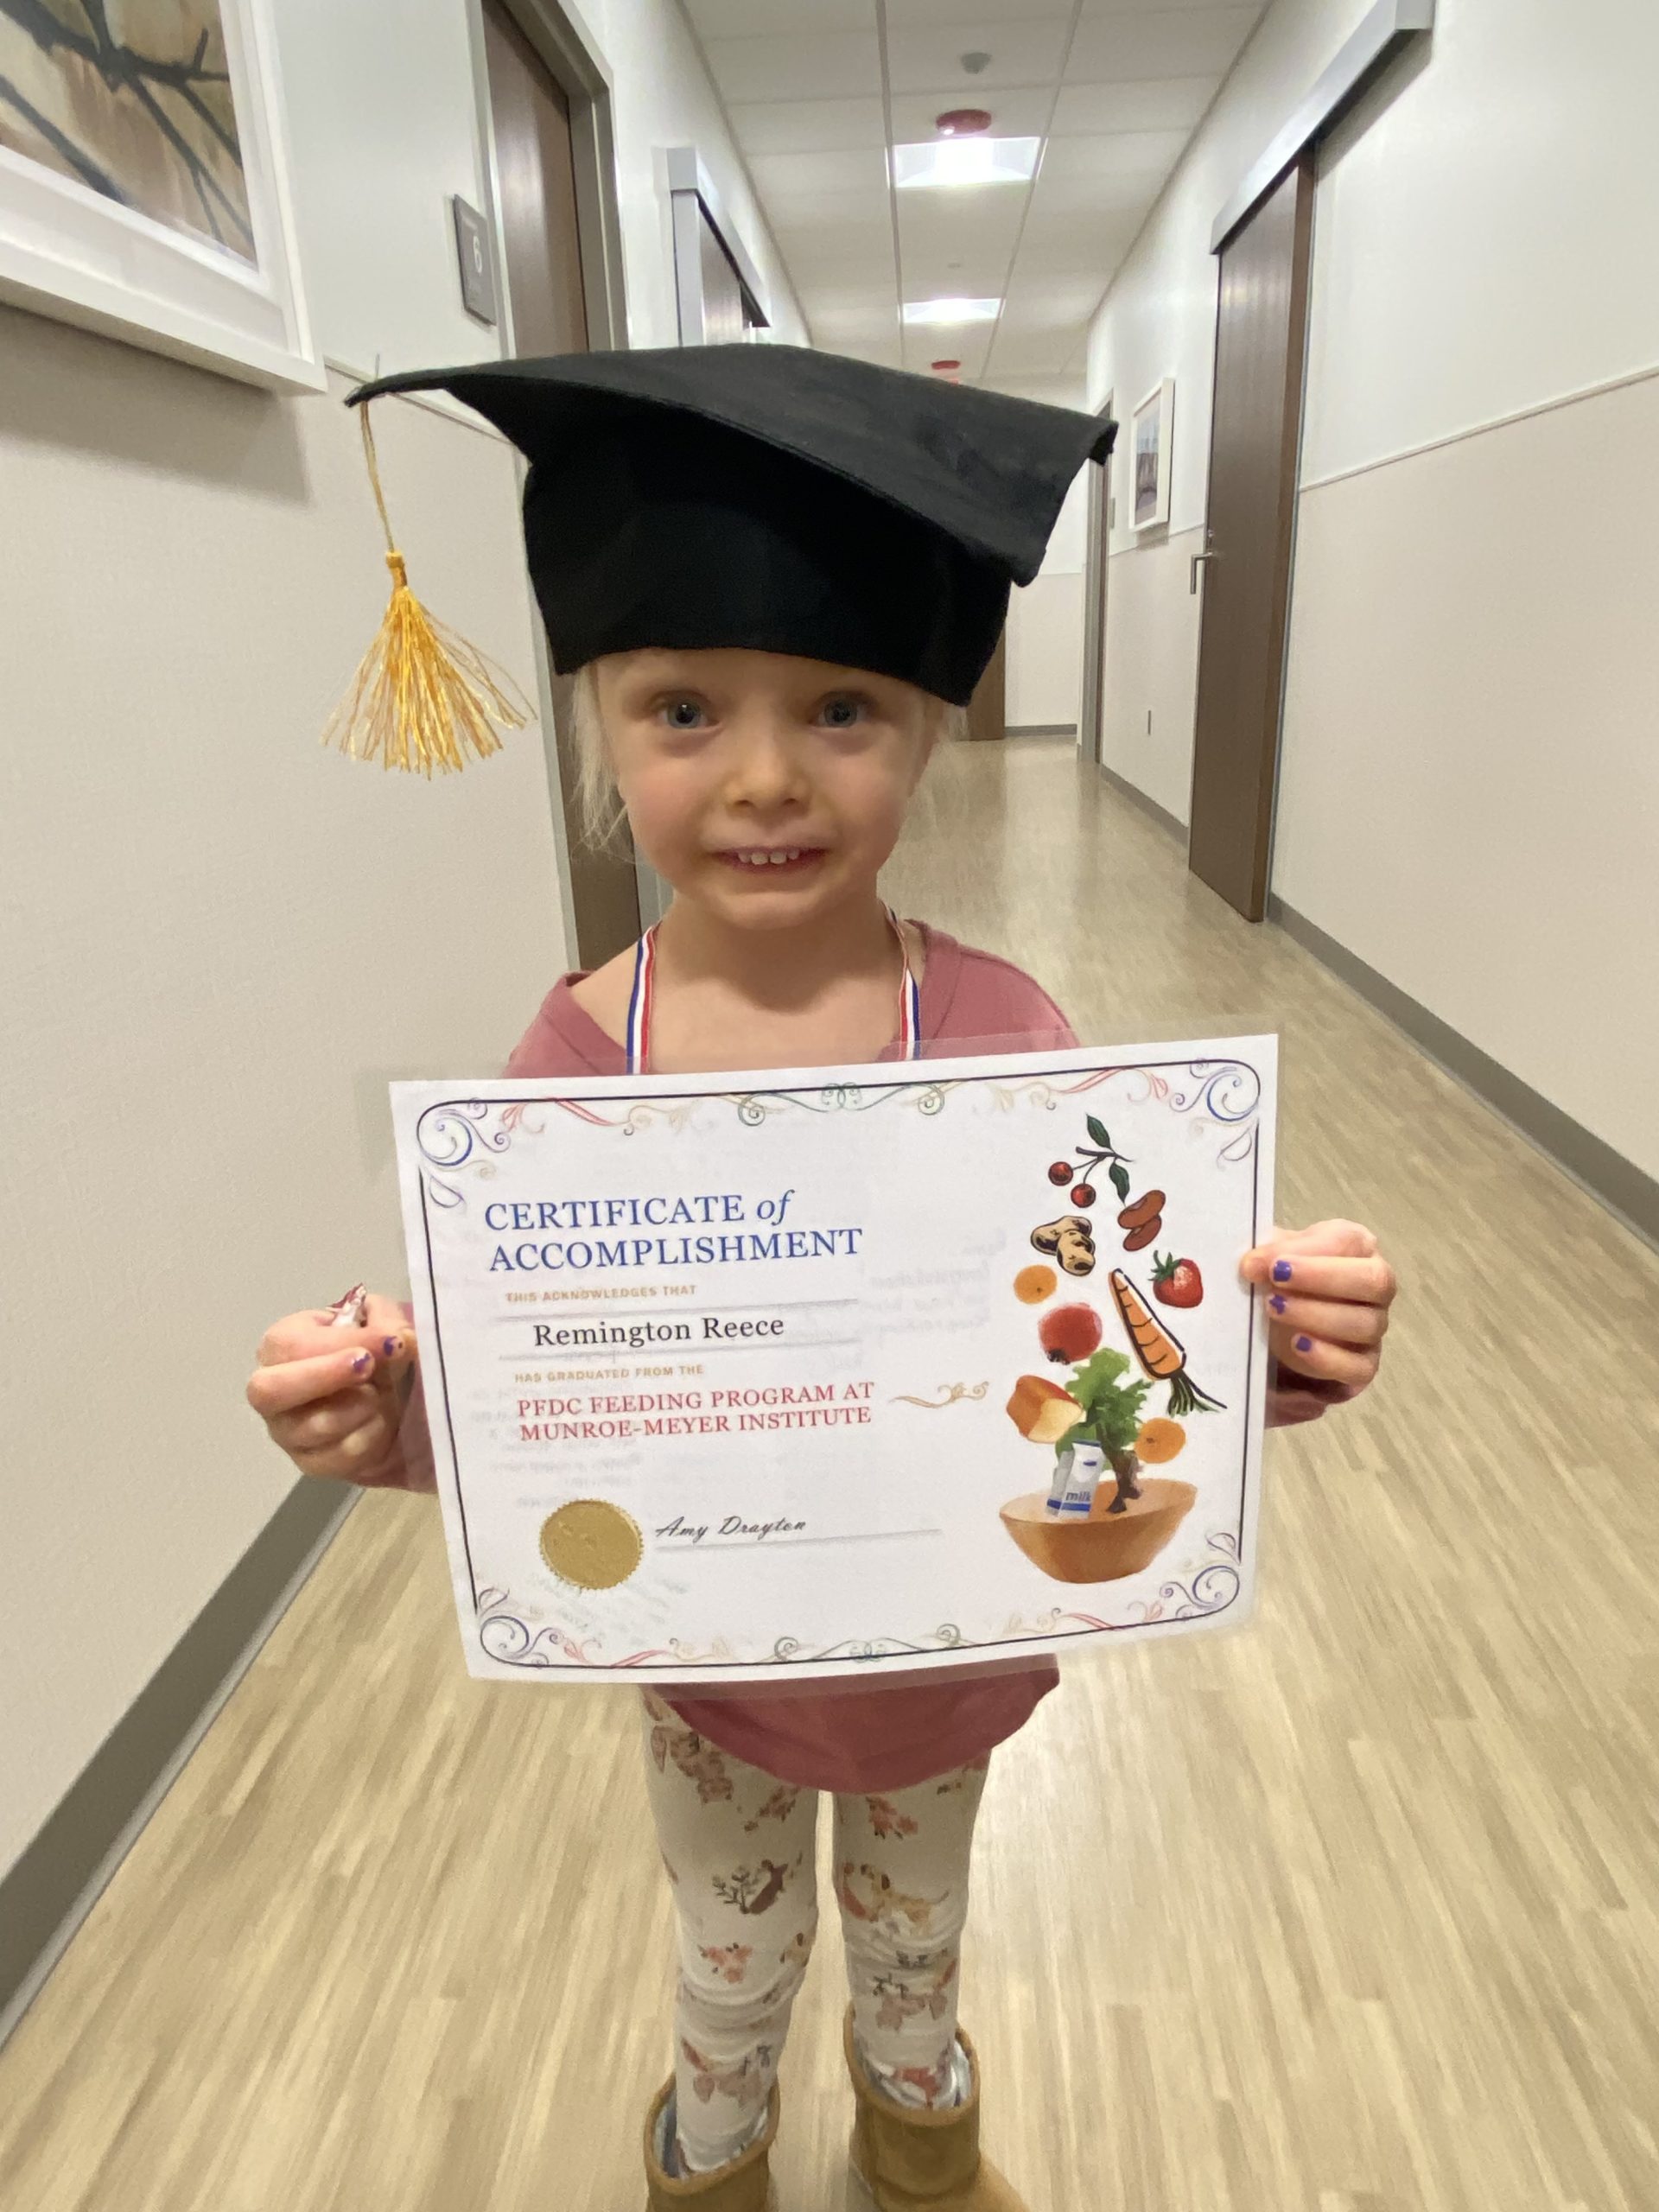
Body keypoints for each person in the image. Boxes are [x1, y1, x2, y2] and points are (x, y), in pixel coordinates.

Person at [246, 345, 1398, 2211]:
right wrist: (380, 1415)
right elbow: (531, 1411)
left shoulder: (1010, 1034)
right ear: (601, 733)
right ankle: (714, 2150)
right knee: (725, 1944)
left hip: (943, 1661)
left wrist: (1272, 1349)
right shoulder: (574, 1066)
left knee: (918, 1933)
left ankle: (919, 2132)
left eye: (843, 707)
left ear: (933, 728)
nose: (765, 775)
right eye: (685, 708)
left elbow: (1104, 1350)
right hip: (713, 1670)